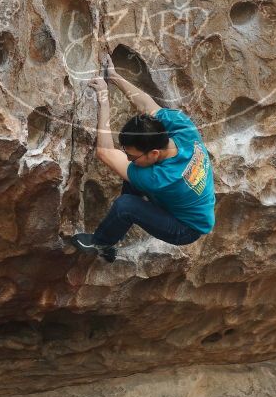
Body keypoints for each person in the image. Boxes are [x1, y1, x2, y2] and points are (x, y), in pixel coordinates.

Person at [73, 54, 216, 262]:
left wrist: (103, 99)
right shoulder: (184, 128)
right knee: (133, 172)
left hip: (186, 228)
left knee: (126, 205)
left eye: (132, 154)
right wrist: (113, 77)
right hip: (193, 204)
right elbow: (147, 106)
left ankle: (101, 243)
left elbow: (104, 152)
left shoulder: (162, 179)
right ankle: (126, 220)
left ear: (154, 153)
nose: (129, 158)